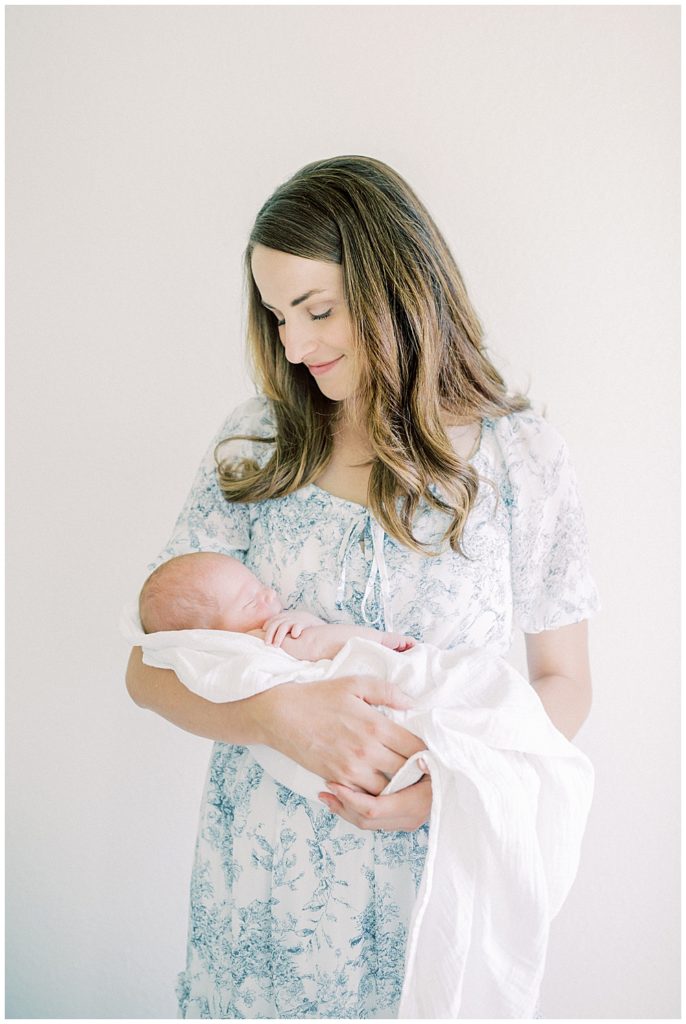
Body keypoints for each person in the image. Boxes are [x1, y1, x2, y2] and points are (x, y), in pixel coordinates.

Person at [125, 154, 600, 1019]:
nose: (295, 347)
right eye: (277, 317)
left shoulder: (524, 461)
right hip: (258, 900)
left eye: (316, 310)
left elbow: (564, 681)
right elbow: (149, 665)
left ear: (397, 286)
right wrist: (272, 715)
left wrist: (451, 788)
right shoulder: (255, 445)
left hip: (429, 885)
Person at [139, 550, 415, 658]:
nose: (269, 593)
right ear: (211, 636)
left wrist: (308, 622)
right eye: (250, 601)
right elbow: (320, 644)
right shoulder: (256, 642)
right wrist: (380, 640)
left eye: (259, 586)